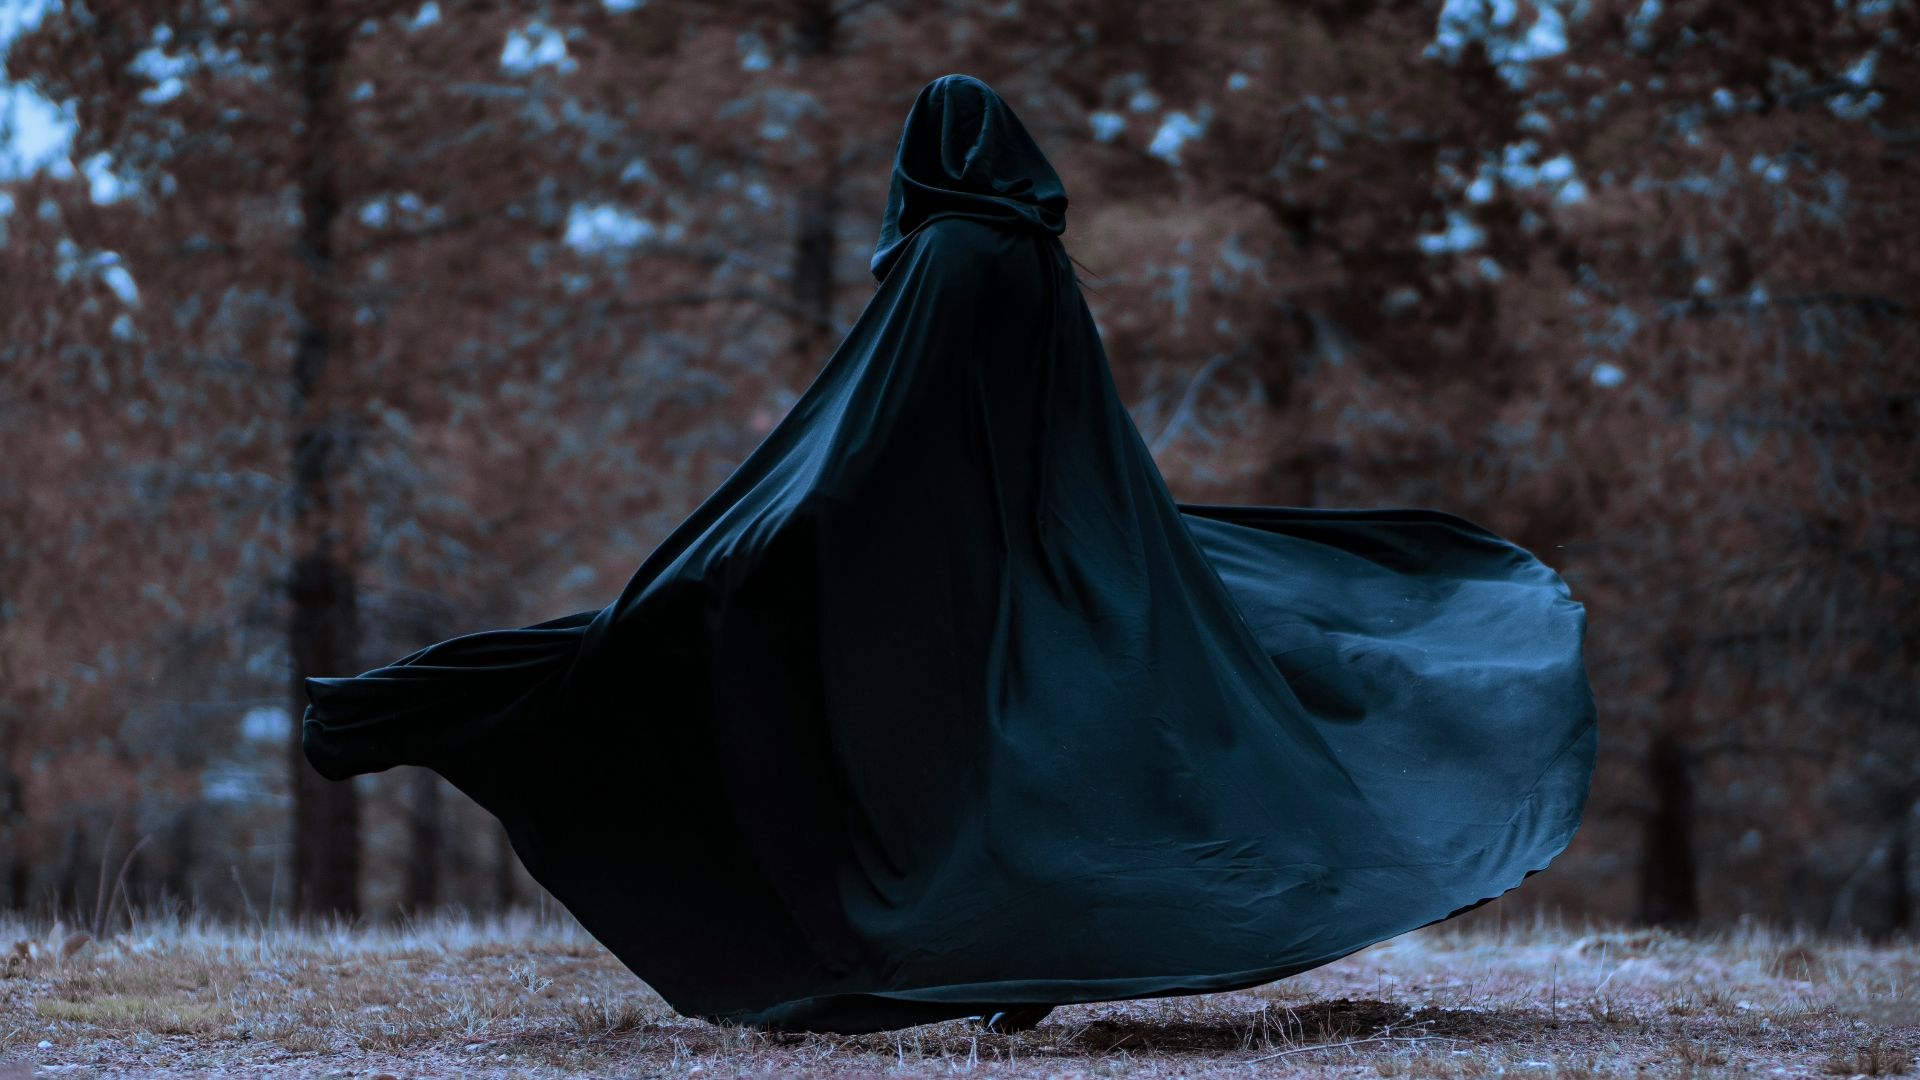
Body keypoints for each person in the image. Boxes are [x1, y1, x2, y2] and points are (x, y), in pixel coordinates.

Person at [303, 73, 1597, 1036]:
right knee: (1071, 767)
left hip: (958, 570)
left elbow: (869, 424)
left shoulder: (952, 255)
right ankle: (1031, 965)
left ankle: (393, 709)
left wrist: (772, 528)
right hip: (1066, 559)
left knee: (683, 655)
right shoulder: (1035, 258)